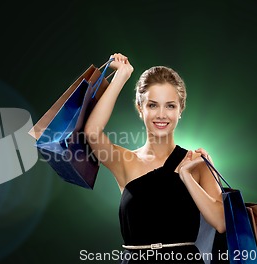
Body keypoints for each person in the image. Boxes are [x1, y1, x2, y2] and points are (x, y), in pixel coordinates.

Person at [84, 53, 226, 263]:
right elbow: (92, 133)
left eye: (170, 106)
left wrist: (186, 176)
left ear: (180, 110)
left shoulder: (195, 162)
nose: (161, 114)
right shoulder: (125, 160)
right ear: (140, 108)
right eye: (152, 105)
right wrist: (121, 76)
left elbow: (222, 222)